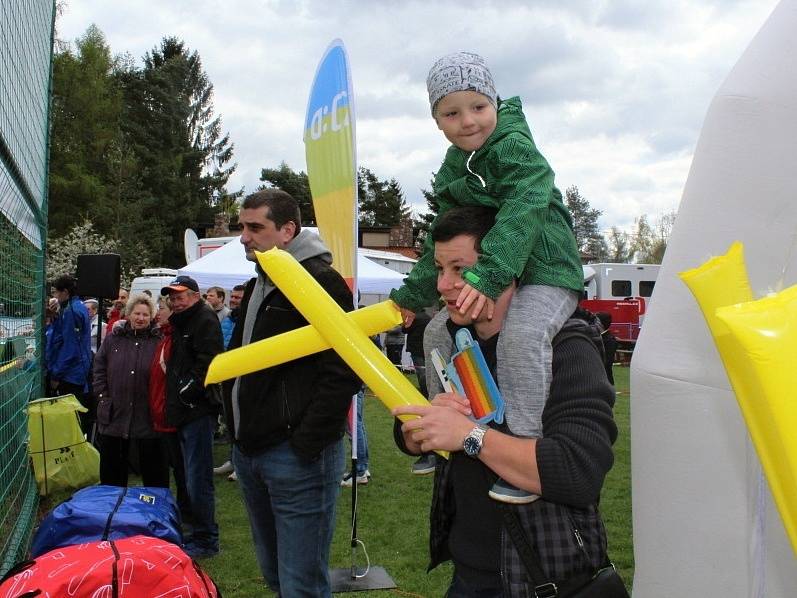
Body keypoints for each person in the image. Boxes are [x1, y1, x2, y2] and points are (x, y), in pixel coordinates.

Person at [393, 206, 619, 597]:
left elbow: (578, 472)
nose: (443, 285)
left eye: (459, 270)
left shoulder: (566, 348)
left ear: (506, 270)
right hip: (468, 576)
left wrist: (469, 435)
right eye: (440, 269)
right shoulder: (451, 339)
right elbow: (418, 430)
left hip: (542, 580)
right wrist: (418, 434)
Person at [389, 53, 584, 487]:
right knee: (437, 331)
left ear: (495, 102)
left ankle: (522, 441)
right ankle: (452, 418)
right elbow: (440, 238)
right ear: (437, 120)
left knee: (523, 335)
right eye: (451, 113)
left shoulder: (515, 147)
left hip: (547, 271)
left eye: (478, 107)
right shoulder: (453, 169)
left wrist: (488, 276)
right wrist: (408, 297)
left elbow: (521, 212)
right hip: (493, 273)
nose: (468, 121)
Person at [225, 189, 360, 596]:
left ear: (287, 230)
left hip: (296, 456)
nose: (244, 237)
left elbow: (345, 368)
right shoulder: (259, 283)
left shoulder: (321, 282)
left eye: (255, 227)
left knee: (300, 584)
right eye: (242, 227)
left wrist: (306, 443)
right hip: (251, 451)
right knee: (276, 575)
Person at [162, 275, 224, 559]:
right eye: (172, 297)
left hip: (197, 410)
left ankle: (206, 538)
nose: (175, 301)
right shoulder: (180, 323)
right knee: (185, 474)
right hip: (181, 410)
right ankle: (192, 529)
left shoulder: (204, 320)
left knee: (198, 477)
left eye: (181, 295)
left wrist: (187, 393)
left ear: (195, 295)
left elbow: (208, 364)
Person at [93, 293, 168, 488]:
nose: (140, 318)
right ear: (128, 314)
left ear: (151, 316)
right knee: (112, 471)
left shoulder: (158, 341)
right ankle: (112, 510)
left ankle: (155, 510)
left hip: (147, 415)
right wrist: (103, 396)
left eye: (145, 314)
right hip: (114, 413)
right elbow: (99, 367)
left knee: (153, 471)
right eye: (137, 313)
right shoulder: (113, 340)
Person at [149, 296, 192, 522]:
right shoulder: (163, 337)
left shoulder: (174, 338)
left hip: (171, 414)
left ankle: (187, 512)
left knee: (181, 468)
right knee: (173, 466)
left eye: (162, 308)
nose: (158, 312)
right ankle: (178, 509)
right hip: (161, 413)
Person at [45, 274, 93, 434]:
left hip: (70, 376)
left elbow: (70, 347)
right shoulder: (74, 307)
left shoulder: (72, 311)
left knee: (68, 424)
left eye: (56, 293)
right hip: (74, 372)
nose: (55, 297)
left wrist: (56, 375)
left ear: (65, 292)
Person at [215, 283, 246, 480]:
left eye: (237, 298)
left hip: (240, 375)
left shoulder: (247, 320)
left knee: (239, 420)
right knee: (228, 420)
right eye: (232, 297)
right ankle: (233, 460)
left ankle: (240, 465)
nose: (233, 300)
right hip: (225, 374)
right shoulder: (228, 319)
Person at [403, 310, 437, 475]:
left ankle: (431, 453)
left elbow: (405, 330)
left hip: (419, 353)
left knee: (427, 387)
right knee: (427, 386)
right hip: (423, 353)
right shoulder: (428, 318)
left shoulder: (417, 318)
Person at [596, 312, 618, 385]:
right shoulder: (595, 336)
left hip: (604, 380)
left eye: (596, 321)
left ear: (601, 324)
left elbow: (607, 362)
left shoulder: (610, 340)